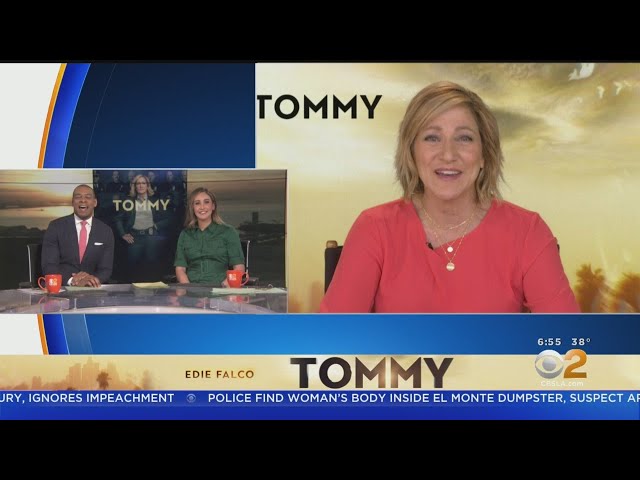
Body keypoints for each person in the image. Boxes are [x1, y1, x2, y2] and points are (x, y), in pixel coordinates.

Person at [320, 81, 580, 313]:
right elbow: (330, 341)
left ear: (484, 154)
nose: (448, 154)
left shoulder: (528, 232)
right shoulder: (374, 228)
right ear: (411, 153)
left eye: (464, 138)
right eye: (432, 138)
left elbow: (570, 343)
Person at [41, 184, 115, 287]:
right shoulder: (56, 227)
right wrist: (72, 281)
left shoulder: (106, 231)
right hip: (61, 288)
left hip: (92, 290)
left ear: (95, 203)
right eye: (78, 197)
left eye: (88, 197)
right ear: (72, 202)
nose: (83, 200)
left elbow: (105, 269)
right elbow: (49, 265)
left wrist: (91, 281)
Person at [174, 187, 245, 286]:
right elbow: (180, 269)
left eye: (206, 202)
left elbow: (239, 268)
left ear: (213, 206)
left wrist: (222, 288)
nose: (202, 207)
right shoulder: (185, 234)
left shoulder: (228, 232)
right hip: (191, 290)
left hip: (221, 289)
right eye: (197, 203)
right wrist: (189, 289)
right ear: (192, 208)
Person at [114, 174, 172, 282]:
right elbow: (118, 219)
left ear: (147, 185)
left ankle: (153, 292)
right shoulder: (129, 201)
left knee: (151, 267)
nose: (141, 186)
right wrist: (123, 234)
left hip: (151, 237)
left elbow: (169, 218)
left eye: (143, 183)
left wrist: (156, 225)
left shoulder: (155, 201)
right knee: (132, 268)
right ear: (135, 186)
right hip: (134, 238)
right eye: (138, 183)